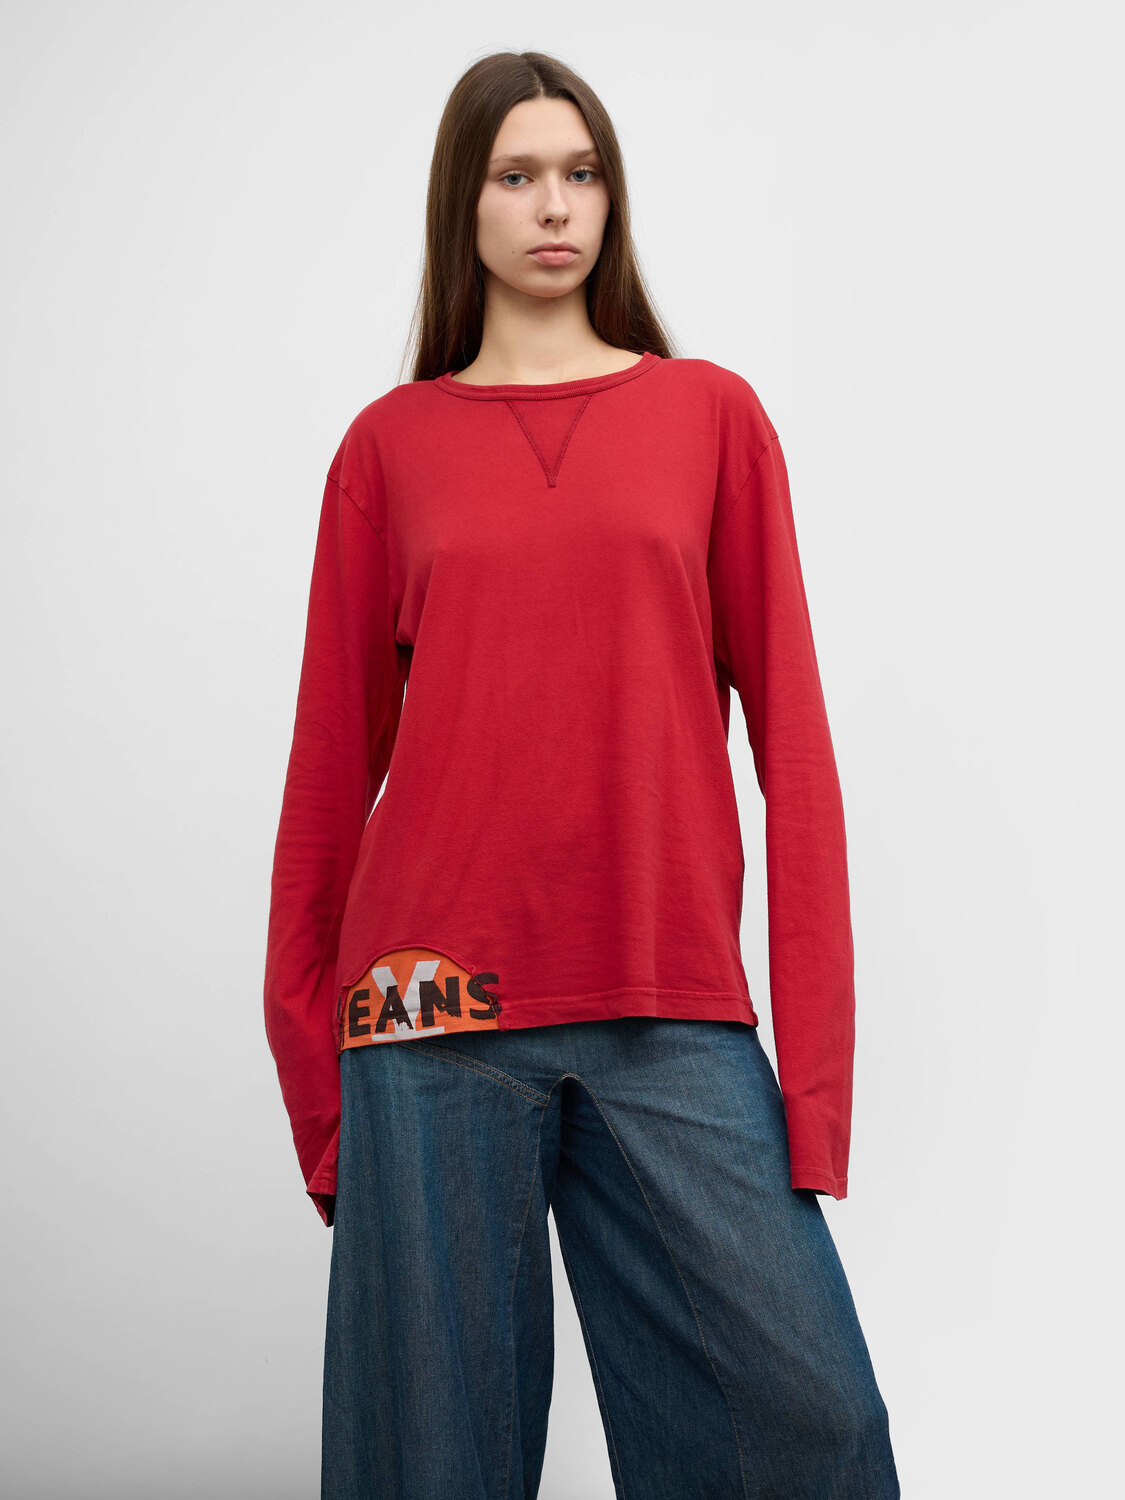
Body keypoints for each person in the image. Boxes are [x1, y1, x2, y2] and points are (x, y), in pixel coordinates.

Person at [264, 48, 901, 1500]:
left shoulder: (711, 417)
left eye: (582, 172)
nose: (555, 205)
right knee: (433, 1468)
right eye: (517, 175)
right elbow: (326, 784)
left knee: (812, 1429)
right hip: (428, 1013)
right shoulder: (388, 449)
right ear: (465, 203)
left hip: (667, 994)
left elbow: (795, 752)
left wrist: (813, 1081)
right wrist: (315, 1080)